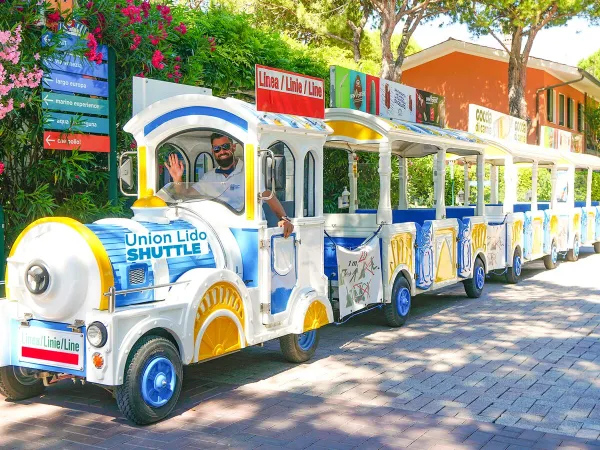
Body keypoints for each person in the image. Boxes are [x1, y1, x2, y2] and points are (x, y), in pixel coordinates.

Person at [165, 133, 294, 238]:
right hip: (220, 234)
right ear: (213, 151)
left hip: (247, 232)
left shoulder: (250, 172)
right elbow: (184, 194)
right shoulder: (209, 177)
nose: (222, 151)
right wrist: (177, 178)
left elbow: (267, 195)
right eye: (217, 149)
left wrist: (285, 219)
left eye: (225, 146)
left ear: (233, 147)